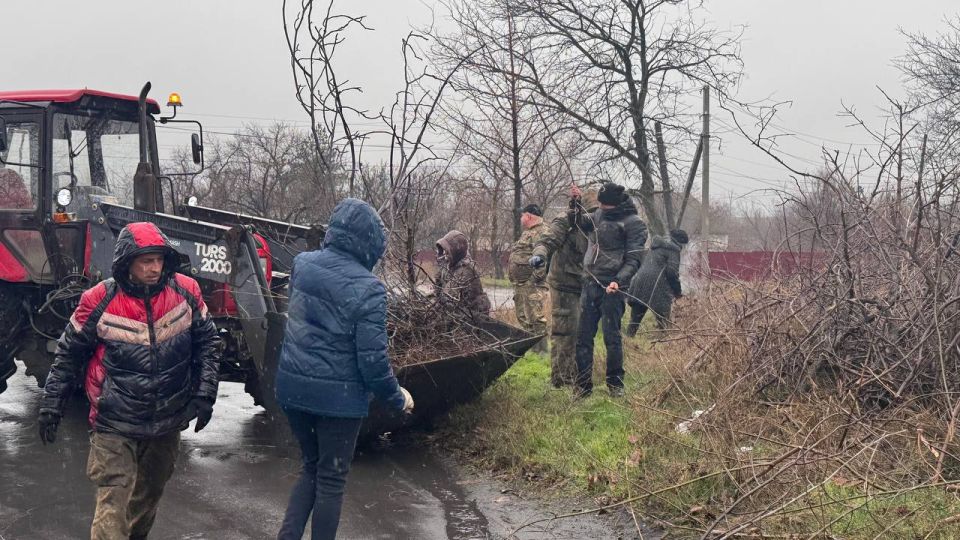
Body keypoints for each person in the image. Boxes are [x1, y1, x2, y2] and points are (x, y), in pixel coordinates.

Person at [37, 222, 221, 540]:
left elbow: (208, 343)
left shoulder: (186, 292)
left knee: (148, 497)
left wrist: (206, 393)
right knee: (113, 499)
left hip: (166, 419)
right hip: (114, 421)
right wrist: (52, 403)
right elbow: (68, 355)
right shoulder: (98, 299)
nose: (154, 268)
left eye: (159, 259)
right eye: (145, 261)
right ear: (127, 263)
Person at [274, 198, 414, 540]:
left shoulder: (302, 265)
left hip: (293, 391)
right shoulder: (370, 290)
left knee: (311, 468)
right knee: (331, 479)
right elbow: (373, 363)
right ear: (369, 244)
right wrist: (398, 399)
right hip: (338, 401)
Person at [571, 182, 647, 398]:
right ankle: (582, 386)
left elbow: (634, 259)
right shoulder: (597, 215)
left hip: (613, 287)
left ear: (616, 204)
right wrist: (575, 201)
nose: (601, 208)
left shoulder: (634, 224)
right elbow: (577, 222)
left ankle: (615, 384)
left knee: (612, 337)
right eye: (600, 204)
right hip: (590, 283)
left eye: (605, 205)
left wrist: (619, 281)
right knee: (583, 337)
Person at [529, 187, 600, 387]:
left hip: (586, 283)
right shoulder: (567, 220)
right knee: (565, 331)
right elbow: (546, 240)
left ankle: (579, 375)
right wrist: (540, 255)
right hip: (564, 284)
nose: (594, 216)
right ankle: (561, 380)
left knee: (583, 333)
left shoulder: (599, 224)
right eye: (591, 211)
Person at [626, 229, 689, 337]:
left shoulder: (656, 245)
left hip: (640, 281)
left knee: (635, 320)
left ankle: (627, 341)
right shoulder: (673, 250)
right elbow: (672, 273)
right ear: (681, 242)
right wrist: (677, 292)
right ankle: (667, 345)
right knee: (664, 322)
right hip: (657, 286)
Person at [508, 203, 548, 351]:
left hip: (532, 285)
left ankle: (542, 351)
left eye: (522, 215)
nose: (521, 218)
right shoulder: (529, 232)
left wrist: (533, 281)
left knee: (536, 319)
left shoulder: (542, 232)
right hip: (522, 284)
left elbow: (543, 258)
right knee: (524, 318)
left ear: (529, 216)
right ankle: (533, 350)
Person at [435, 229, 492, 316]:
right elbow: (437, 290)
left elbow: (447, 297)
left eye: (447, 251)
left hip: (470, 317)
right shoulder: (450, 266)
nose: (445, 255)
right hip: (458, 313)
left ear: (455, 251)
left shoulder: (466, 270)